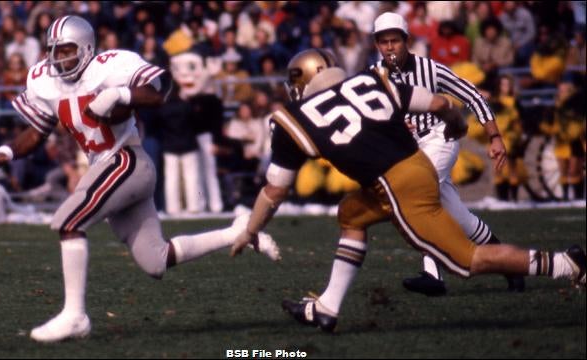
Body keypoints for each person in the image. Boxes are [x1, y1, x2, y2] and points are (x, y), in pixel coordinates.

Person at [229, 48, 586, 332]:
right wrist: (456, 125)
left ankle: (565, 264)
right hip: (417, 167)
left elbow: (274, 192)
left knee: (467, 259)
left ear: (301, 81)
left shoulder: (293, 118)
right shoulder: (370, 81)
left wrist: (251, 229)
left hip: (397, 187)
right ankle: (327, 307)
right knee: (351, 213)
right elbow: (440, 103)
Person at [0, 15, 280, 343]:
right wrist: (6, 152)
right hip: (107, 168)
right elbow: (38, 131)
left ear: (86, 48)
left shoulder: (111, 65)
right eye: (53, 51)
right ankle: (236, 231)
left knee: (68, 221)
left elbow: (162, 87)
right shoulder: (44, 79)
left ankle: (75, 316)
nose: (58, 59)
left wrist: (121, 95)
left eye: (66, 50)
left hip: (126, 160)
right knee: (156, 259)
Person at [372, 12, 524, 295]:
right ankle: (513, 266)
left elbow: (472, 94)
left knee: (420, 196)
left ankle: (433, 274)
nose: (389, 47)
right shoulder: (374, 77)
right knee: (460, 218)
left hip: (441, 138)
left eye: (395, 40)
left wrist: (495, 135)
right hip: (410, 150)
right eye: (383, 42)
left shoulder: (430, 69)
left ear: (406, 41)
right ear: (377, 45)